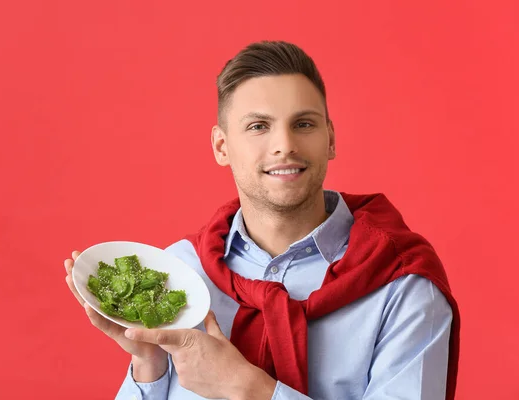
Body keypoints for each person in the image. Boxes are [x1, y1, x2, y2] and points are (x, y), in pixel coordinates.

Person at [64, 40, 460, 400]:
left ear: (331, 138)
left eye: (303, 124)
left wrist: (249, 389)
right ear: (222, 146)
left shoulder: (404, 285)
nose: (285, 145)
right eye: (258, 126)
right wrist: (148, 365)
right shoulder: (181, 271)